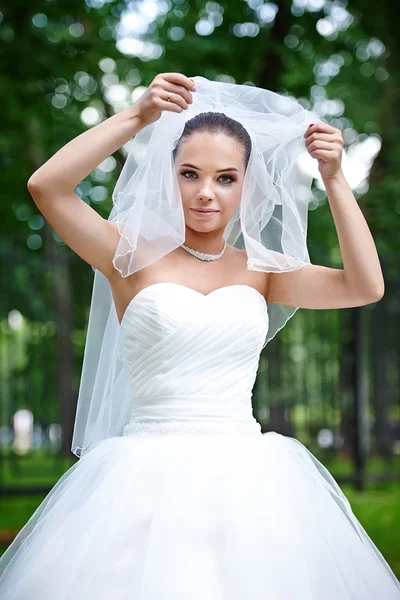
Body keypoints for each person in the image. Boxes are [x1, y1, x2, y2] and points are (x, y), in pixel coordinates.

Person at [0, 72, 399, 599]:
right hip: (141, 479)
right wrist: (138, 116)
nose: (206, 193)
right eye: (190, 173)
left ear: (247, 184)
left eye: (226, 178)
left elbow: (363, 286)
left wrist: (335, 178)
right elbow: (45, 187)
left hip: (250, 480)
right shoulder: (127, 255)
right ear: (168, 176)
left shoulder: (263, 269)